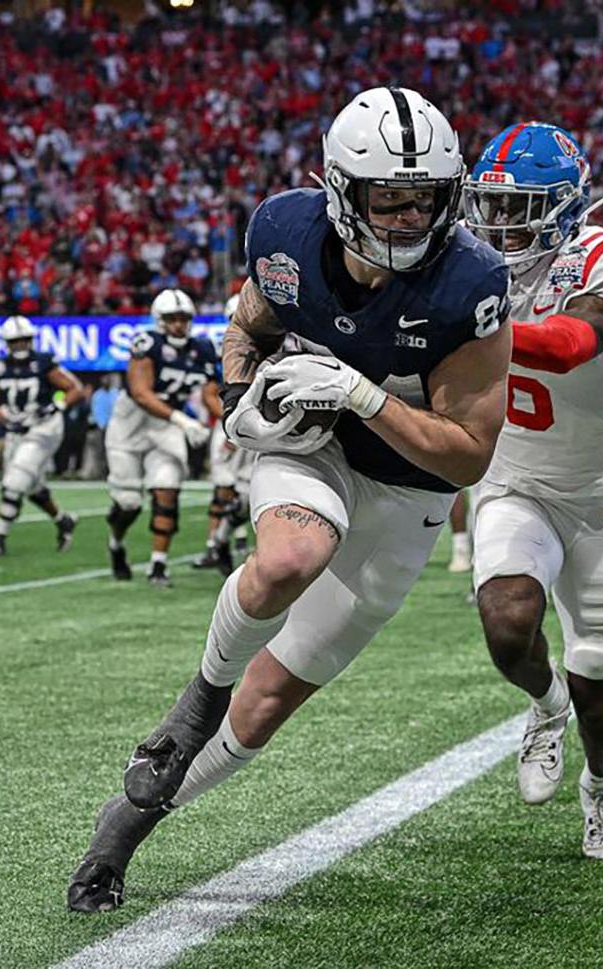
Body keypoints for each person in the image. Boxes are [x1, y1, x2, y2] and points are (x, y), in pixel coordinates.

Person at [67, 86, 510, 912]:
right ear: (344, 190)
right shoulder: (285, 235)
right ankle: (193, 702)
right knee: (291, 556)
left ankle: (123, 825)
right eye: (391, 198)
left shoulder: (470, 284)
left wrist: (364, 394)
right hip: (311, 450)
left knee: (267, 702)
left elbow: (471, 455)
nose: (412, 217)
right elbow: (248, 328)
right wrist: (238, 395)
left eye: (429, 198)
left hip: (409, 491)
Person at [464, 122, 603, 858]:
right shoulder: (468, 264)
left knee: (599, 687)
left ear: (568, 204)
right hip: (515, 484)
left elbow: (576, 342)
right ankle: (544, 708)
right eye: (493, 206)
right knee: (508, 625)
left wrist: (475, 322)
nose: (501, 224)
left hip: (598, 499)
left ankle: (602, 787)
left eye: (521, 207)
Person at [103, 288, 216, 587]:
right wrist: (182, 420)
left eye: (183, 318)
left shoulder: (202, 347)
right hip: (131, 424)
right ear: (159, 320)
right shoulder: (147, 342)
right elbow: (141, 393)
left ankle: (158, 565)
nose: (179, 324)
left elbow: (209, 394)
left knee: (168, 489)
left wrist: (227, 421)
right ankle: (116, 543)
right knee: (128, 503)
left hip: (166, 425)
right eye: (172, 318)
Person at [0, 315, 85, 557]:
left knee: (14, 483)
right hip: (17, 431)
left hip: (44, 428)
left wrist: (57, 406)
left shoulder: (43, 363)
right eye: (15, 341)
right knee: (31, 486)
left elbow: (75, 389)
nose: (20, 346)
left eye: (24, 340)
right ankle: (63, 520)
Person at [193, 293, 256, 576]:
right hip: (232, 425)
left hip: (262, 429)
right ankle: (213, 544)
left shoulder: (279, 342)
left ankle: (221, 541)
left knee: (247, 498)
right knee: (223, 489)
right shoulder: (220, 352)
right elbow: (209, 394)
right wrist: (234, 421)